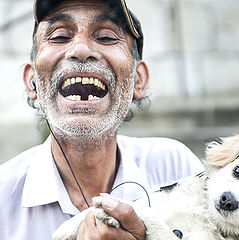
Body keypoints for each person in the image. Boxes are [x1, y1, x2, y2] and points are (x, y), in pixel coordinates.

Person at [0, 0, 205, 239]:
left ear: (138, 79)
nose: (81, 49)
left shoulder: (175, 169)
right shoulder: (3, 197)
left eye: (107, 37)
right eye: (59, 37)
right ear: (31, 80)